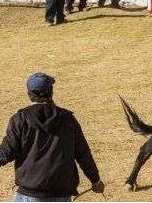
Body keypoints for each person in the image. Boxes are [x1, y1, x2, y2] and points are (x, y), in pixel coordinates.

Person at [0, 73, 105, 202]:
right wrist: (95, 180)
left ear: (29, 94)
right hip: (61, 194)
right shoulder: (68, 119)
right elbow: (83, 154)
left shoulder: (20, 119)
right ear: (51, 92)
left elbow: (6, 152)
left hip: (29, 194)